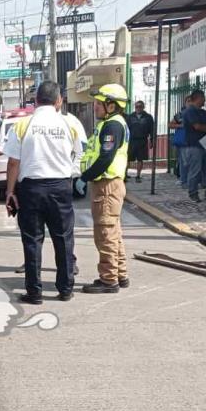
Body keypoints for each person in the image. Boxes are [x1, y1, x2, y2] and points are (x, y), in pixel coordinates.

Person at [1, 81, 82, 304]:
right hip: (61, 187)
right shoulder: (69, 124)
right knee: (64, 239)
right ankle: (65, 289)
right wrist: (70, 175)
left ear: (35, 101)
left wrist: (10, 192)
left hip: (31, 189)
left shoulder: (22, 125)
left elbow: (13, 163)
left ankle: (34, 292)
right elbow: (79, 155)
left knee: (32, 241)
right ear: (59, 101)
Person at [79, 84, 130, 294]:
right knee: (114, 232)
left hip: (107, 185)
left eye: (99, 103)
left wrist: (85, 176)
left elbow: (105, 158)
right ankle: (120, 274)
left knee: (105, 234)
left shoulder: (112, 127)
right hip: (110, 185)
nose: (95, 107)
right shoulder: (111, 124)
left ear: (112, 105)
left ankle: (109, 279)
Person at [182, 89, 206, 203]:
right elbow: (197, 126)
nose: (205, 100)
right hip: (194, 145)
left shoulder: (203, 112)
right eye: (203, 98)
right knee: (195, 170)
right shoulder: (189, 111)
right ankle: (193, 192)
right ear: (198, 98)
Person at [126, 100, 154, 183]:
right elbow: (126, 129)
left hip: (142, 141)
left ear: (143, 107)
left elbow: (152, 129)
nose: (138, 108)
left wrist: (152, 140)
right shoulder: (130, 117)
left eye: (140, 106)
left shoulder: (148, 117)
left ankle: (138, 175)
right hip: (131, 141)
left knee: (140, 159)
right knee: (128, 159)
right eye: (136, 107)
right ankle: (125, 174)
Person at [169, 95, 192, 189]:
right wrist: (181, 126)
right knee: (184, 162)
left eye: (191, 101)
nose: (190, 103)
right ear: (185, 102)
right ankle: (184, 180)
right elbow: (170, 124)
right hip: (183, 141)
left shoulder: (197, 113)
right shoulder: (180, 114)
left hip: (194, 141)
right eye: (188, 101)